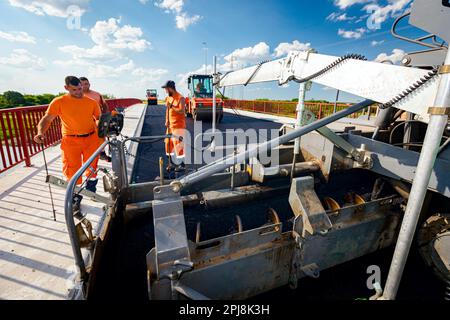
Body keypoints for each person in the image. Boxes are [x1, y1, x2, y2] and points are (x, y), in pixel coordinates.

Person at [34, 76, 101, 194]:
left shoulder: (91, 102)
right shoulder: (59, 101)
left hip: (91, 138)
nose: (79, 92)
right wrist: (40, 132)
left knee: (92, 166)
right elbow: (47, 119)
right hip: (70, 141)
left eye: (80, 89)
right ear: (66, 88)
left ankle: (91, 190)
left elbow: (98, 118)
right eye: (74, 90)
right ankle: (75, 197)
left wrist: (101, 125)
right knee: (72, 170)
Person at [80, 77, 111, 162]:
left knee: (101, 137)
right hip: (84, 122)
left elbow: (104, 105)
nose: (84, 86)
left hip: (97, 120)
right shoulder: (77, 96)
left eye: (86, 84)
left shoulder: (96, 94)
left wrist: (106, 116)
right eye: (81, 84)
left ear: (89, 84)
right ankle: (88, 157)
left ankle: (102, 153)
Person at [162, 80, 186, 173]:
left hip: (178, 126)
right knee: (168, 143)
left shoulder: (181, 98)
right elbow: (167, 110)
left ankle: (181, 165)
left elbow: (181, 111)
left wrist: (171, 106)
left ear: (171, 88)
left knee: (178, 145)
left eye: (166, 89)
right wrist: (167, 120)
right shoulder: (168, 98)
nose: (165, 91)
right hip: (170, 126)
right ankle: (171, 164)